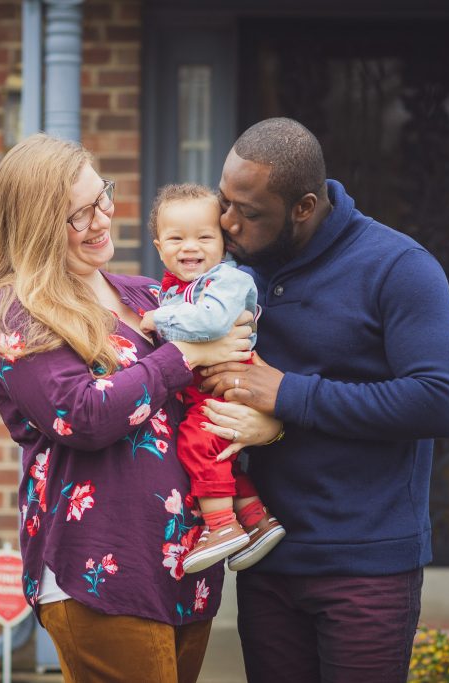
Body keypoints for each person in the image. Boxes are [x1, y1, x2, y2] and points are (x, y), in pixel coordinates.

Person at [0, 133, 256, 683]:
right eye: (78, 215)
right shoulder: (18, 312)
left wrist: (263, 421)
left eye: (102, 196)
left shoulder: (150, 296)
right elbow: (83, 415)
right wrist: (188, 353)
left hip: (185, 562)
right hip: (101, 568)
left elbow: (220, 374)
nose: (102, 220)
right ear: (35, 225)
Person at [198, 117, 449, 682]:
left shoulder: (399, 267)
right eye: (225, 202)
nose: (226, 223)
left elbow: (440, 401)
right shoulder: (232, 273)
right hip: (267, 556)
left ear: (303, 206)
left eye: (248, 212)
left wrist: (288, 394)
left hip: (365, 564)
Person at [139, 183, 286, 575]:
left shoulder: (227, 282)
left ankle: (221, 528)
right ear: (158, 247)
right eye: (177, 238)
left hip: (231, 386)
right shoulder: (171, 290)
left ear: (224, 243)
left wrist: (159, 320)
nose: (191, 247)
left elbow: (212, 322)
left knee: (197, 445)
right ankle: (255, 521)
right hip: (205, 389)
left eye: (204, 237)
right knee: (219, 460)